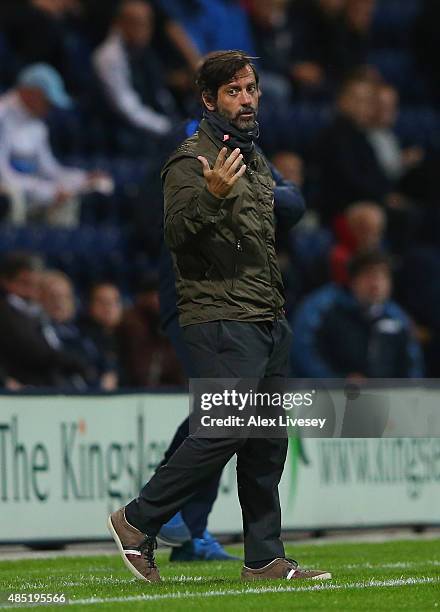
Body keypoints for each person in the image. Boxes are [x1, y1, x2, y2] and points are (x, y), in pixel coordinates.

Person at [108, 50, 330, 582]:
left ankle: (264, 557)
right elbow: (176, 234)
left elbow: (291, 208)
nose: (248, 98)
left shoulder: (251, 156)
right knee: (225, 429)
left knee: (267, 440)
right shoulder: (190, 159)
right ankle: (138, 520)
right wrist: (211, 198)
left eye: (251, 88)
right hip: (218, 312)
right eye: (234, 91)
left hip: (265, 311)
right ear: (209, 100)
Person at [0, 63, 111, 225]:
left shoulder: (38, 124)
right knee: (13, 196)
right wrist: (48, 192)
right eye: (47, 101)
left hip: (31, 195)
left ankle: (59, 250)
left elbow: (48, 169)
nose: (50, 108)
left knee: (67, 198)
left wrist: (82, 178)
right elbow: (3, 175)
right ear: (32, 93)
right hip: (8, 197)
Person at [290, 250, 424, 378]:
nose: (376, 283)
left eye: (383, 276)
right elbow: (305, 356)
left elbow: (412, 367)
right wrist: (338, 381)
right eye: (369, 275)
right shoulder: (326, 312)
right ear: (353, 281)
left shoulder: (398, 320)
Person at [0, 252, 88, 387]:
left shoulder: (37, 312)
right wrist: (74, 362)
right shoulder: (6, 313)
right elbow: (34, 351)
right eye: (24, 283)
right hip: (25, 388)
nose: (30, 291)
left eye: (36, 284)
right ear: (6, 282)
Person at [92, 0, 177, 138]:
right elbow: (127, 108)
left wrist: (175, 121)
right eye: (137, 23)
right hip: (119, 133)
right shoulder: (109, 57)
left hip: (154, 126)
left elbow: (160, 94)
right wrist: (167, 127)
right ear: (120, 24)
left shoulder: (146, 54)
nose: (144, 30)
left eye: (147, 24)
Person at [117, 275, 185, 387]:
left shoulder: (173, 323)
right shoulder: (132, 325)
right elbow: (141, 374)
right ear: (143, 298)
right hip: (137, 392)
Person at [79, 282, 123, 391]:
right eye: (102, 302)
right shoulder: (80, 337)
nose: (108, 307)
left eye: (114, 302)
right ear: (90, 306)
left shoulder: (130, 336)